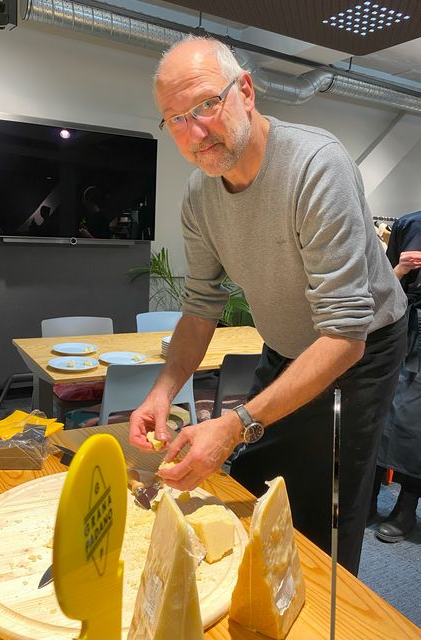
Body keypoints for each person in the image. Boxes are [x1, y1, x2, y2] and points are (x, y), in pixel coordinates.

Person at [129, 35, 407, 575]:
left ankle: (326, 603)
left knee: (328, 502)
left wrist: (234, 423)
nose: (195, 131)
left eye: (206, 104)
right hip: (285, 344)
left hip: (361, 349)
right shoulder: (200, 195)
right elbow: (201, 306)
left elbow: (345, 336)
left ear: (246, 92)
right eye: (177, 119)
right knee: (256, 473)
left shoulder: (315, 166)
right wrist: (162, 391)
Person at [372, 211, 421, 542]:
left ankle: (406, 508)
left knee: (414, 426)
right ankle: (365, 500)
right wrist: (401, 269)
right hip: (400, 326)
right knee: (379, 412)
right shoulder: (408, 224)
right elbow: (382, 285)